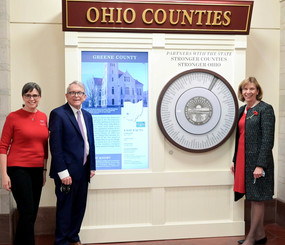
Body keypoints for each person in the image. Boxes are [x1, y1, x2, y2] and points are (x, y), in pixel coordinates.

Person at [0, 82, 49, 245]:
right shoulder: (13, 117)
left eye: (35, 95)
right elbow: (3, 146)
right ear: (23, 97)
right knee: (27, 211)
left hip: (36, 170)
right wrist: (4, 174)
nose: (31, 98)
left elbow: (44, 146)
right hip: (17, 169)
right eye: (28, 95)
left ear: (40, 97)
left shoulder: (43, 117)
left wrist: (43, 171)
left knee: (31, 212)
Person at [49, 81, 96, 245]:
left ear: (85, 96)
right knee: (65, 209)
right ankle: (61, 241)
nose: (76, 96)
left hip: (83, 170)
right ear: (66, 95)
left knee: (79, 207)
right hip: (66, 173)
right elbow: (55, 146)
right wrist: (63, 173)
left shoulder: (88, 115)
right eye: (72, 92)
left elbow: (90, 142)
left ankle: (73, 237)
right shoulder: (58, 114)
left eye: (79, 93)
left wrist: (92, 166)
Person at [231, 77, 275, 245]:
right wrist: (235, 160)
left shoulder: (265, 109)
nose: (247, 92)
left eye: (251, 88)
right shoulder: (243, 110)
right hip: (243, 160)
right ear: (241, 92)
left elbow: (267, 140)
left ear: (257, 91)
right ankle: (260, 236)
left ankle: (251, 238)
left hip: (258, 162)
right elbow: (239, 138)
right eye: (244, 89)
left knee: (257, 199)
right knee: (251, 197)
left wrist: (260, 165)